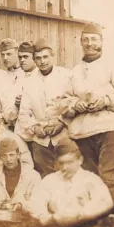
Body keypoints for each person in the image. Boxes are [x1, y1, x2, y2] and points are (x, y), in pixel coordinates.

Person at [61, 22, 114, 213]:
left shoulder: (112, 67)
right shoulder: (74, 72)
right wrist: (74, 104)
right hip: (82, 133)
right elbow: (63, 100)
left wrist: (106, 100)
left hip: (109, 129)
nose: (89, 43)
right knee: (90, 179)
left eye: (94, 39)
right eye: (86, 40)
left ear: (101, 41)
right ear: (81, 43)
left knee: (107, 176)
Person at [27, 139, 114, 227]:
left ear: (80, 160)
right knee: (31, 226)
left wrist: (81, 214)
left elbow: (106, 203)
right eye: (61, 163)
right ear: (56, 163)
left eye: (69, 162)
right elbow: (36, 201)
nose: (64, 167)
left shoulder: (91, 179)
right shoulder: (50, 180)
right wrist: (44, 216)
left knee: (102, 225)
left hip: (83, 225)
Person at [18, 38, 72, 177]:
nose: (42, 61)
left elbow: (73, 103)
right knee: (46, 178)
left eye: (45, 57)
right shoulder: (29, 82)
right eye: (38, 58)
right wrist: (35, 128)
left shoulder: (66, 76)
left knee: (68, 175)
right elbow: (24, 113)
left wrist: (62, 123)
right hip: (41, 140)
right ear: (34, 60)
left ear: (52, 56)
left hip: (63, 135)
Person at [0, 39, 22, 130]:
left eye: (9, 54)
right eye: (2, 55)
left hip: (24, 127)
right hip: (5, 127)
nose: (5, 58)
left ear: (17, 53)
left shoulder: (27, 75)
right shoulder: (0, 78)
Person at [13, 42, 40, 155]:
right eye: (20, 57)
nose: (22, 60)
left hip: (37, 132)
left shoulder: (40, 76)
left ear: (33, 58)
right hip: (21, 131)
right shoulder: (17, 77)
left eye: (25, 57)